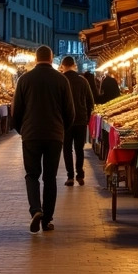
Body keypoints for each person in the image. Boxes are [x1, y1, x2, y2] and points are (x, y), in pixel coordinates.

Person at [11, 45, 73, 233]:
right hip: (54, 135)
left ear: (36, 59)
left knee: (32, 175)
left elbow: (16, 111)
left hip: (30, 135)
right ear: (52, 58)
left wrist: (22, 130)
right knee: (50, 177)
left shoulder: (24, 79)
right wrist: (61, 129)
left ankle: (36, 210)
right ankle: (47, 219)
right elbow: (70, 112)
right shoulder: (61, 80)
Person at [60, 56, 95, 186]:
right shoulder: (83, 81)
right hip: (80, 120)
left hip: (65, 121)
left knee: (67, 149)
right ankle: (80, 175)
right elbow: (90, 101)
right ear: (74, 65)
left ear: (63, 66)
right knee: (79, 148)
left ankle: (70, 177)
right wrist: (86, 118)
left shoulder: (61, 80)